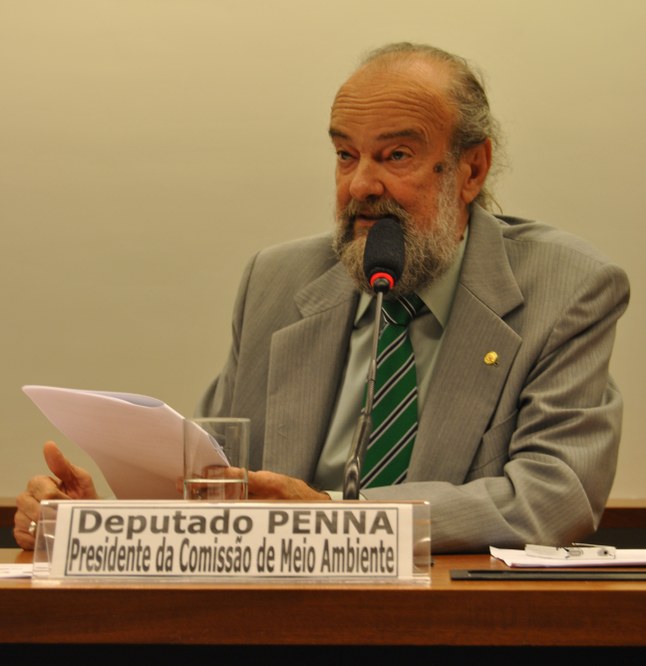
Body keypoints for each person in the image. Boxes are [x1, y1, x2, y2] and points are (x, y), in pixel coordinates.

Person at [14, 43, 629, 553]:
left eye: (395, 155)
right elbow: (213, 481)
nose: (360, 184)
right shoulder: (277, 281)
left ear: (471, 170)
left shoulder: (566, 288)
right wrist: (96, 522)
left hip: (456, 622)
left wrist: (334, 517)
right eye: (345, 155)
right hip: (277, 619)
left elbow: (553, 496)